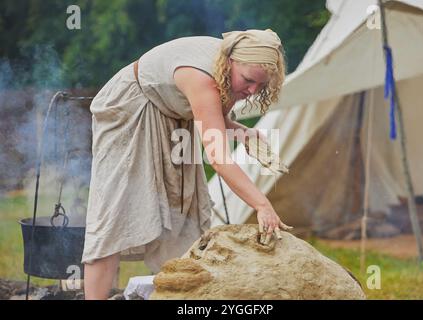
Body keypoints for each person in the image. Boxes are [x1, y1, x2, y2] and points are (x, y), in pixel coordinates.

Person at [82, 29, 292, 300]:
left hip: (172, 117)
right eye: (249, 80)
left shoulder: (230, 73)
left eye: (260, 86)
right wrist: (261, 205)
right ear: (229, 62)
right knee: (115, 210)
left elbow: (211, 116)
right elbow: (218, 158)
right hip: (133, 108)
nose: (252, 91)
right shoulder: (202, 78)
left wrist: (244, 132)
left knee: (182, 213)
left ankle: (174, 297)